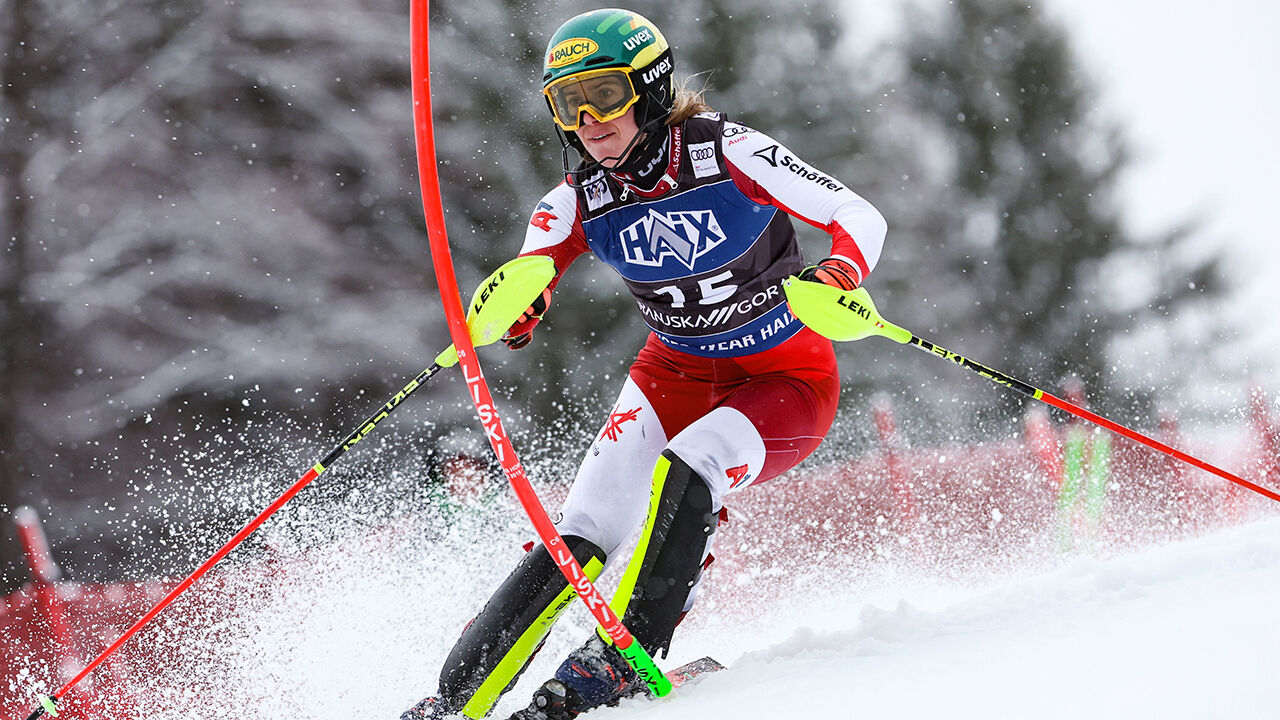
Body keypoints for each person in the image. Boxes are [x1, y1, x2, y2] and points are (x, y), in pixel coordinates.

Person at [402, 8, 887, 720]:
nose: (591, 119)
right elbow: (527, 272)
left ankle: (623, 660)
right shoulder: (577, 199)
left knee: (691, 468)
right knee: (583, 528)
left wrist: (840, 270)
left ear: (651, 89)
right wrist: (522, 305)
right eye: (569, 103)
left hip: (785, 381)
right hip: (675, 376)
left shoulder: (729, 152)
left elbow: (858, 215)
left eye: (606, 94)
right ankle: (454, 700)